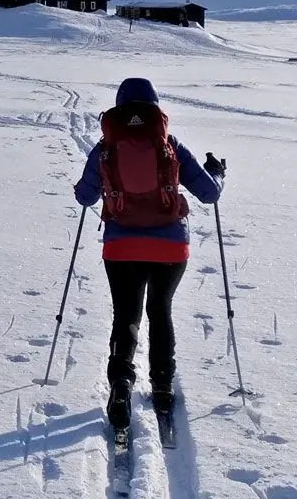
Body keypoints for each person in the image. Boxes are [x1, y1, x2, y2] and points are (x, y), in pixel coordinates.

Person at [73, 77, 225, 431]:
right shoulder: (168, 145)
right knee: (160, 310)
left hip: (121, 248)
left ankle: (122, 384)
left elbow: (85, 197)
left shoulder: (105, 148)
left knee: (126, 313)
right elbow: (208, 194)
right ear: (156, 108)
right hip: (170, 247)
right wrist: (217, 172)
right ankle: (162, 386)